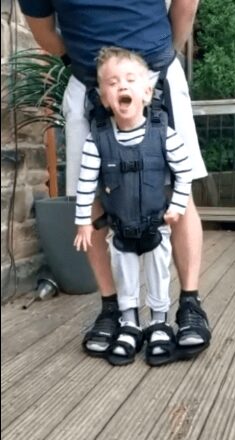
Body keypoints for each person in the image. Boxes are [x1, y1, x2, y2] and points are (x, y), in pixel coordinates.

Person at [18, 1, 211, 358]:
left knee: (179, 193)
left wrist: (156, 59)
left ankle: (189, 306)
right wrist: (99, 65)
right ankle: (114, 311)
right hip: (90, 86)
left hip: (156, 78)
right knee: (88, 199)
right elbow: (46, 35)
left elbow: (186, 4)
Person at [74, 47, 190, 366]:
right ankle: (128, 324)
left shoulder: (163, 134)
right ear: (103, 97)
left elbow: (185, 174)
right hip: (120, 230)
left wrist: (177, 207)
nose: (122, 86)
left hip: (156, 228)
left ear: (147, 91)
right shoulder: (96, 142)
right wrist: (84, 221)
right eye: (112, 83)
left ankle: (159, 322)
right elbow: (85, 184)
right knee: (124, 276)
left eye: (130, 79)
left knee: (157, 274)